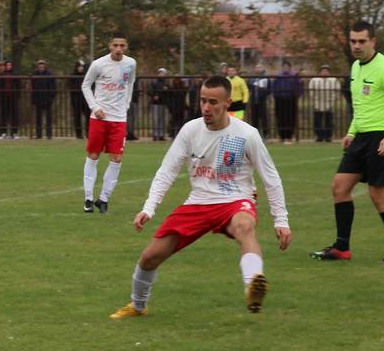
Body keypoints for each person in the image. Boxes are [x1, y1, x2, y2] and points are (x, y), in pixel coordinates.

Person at [109, 75, 290, 319]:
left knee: (244, 227)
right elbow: (167, 170)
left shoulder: (247, 135)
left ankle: (253, 285)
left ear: (227, 103)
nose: (206, 107)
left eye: (213, 102)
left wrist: (281, 220)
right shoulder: (190, 130)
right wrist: (149, 207)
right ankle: (138, 306)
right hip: (198, 203)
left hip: (235, 200)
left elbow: (271, 177)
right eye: (203, 100)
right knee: (150, 256)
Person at [311, 21, 384, 263]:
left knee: (379, 196)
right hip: (362, 137)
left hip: (383, 137)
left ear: (372, 41)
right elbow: (361, 107)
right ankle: (341, 248)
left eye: (361, 41)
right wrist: (351, 132)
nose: (356, 46)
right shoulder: (356, 67)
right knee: (340, 187)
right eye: (353, 41)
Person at [81, 34, 136, 214]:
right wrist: (95, 107)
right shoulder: (98, 64)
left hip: (119, 119)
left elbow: (130, 83)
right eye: (115, 45)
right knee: (93, 155)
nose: (119, 49)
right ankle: (88, 198)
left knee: (117, 158)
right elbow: (86, 85)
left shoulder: (131, 63)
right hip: (99, 118)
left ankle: (104, 199)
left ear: (126, 47)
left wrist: (126, 104)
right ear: (110, 46)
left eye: (122, 45)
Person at [308, 65, 341, 143]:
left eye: (326, 71)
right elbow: (311, 92)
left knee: (329, 120)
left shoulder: (334, 80)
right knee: (317, 120)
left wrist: (332, 100)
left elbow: (337, 91)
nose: (325, 72)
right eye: (323, 71)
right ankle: (319, 136)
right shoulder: (314, 80)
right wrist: (315, 100)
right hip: (317, 102)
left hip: (329, 102)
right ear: (320, 72)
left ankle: (328, 136)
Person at [272, 61, 302, 144]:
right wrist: (275, 95)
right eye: (284, 66)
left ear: (289, 67)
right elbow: (274, 87)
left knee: (290, 118)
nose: (285, 68)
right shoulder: (278, 76)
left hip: (291, 98)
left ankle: (289, 136)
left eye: (287, 66)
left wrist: (298, 95)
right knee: (280, 117)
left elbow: (299, 86)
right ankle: (282, 136)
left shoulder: (294, 76)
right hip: (279, 99)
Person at [30, 59, 56, 139]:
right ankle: (39, 134)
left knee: (48, 117)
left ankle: (49, 134)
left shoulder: (49, 74)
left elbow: (53, 87)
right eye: (39, 66)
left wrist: (51, 96)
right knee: (38, 117)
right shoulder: (34, 74)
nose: (41, 67)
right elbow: (32, 87)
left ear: (45, 66)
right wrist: (33, 98)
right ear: (37, 66)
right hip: (38, 98)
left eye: (42, 66)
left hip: (47, 98)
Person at [68, 61, 89, 139]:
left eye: (82, 67)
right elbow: (71, 88)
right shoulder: (72, 76)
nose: (80, 68)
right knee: (77, 116)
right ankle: (78, 134)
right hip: (76, 99)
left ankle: (88, 133)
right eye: (79, 67)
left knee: (88, 116)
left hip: (85, 99)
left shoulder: (86, 75)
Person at [149, 67, 169, 141]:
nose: (162, 74)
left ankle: (161, 135)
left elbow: (169, 91)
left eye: (163, 73)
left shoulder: (166, 83)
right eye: (161, 73)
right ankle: (155, 134)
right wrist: (154, 95)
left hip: (163, 103)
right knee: (156, 119)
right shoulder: (154, 82)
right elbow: (149, 91)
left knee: (162, 119)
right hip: (155, 103)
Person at [249, 65, 270, 130]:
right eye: (257, 67)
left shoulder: (265, 78)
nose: (258, 69)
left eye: (260, 67)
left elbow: (269, 89)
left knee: (264, 117)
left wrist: (263, 94)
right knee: (254, 117)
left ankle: (265, 132)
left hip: (262, 100)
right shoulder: (252, 78)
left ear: (263, 69)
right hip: (253, 100)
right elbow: (249, 87)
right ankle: (255, 132)